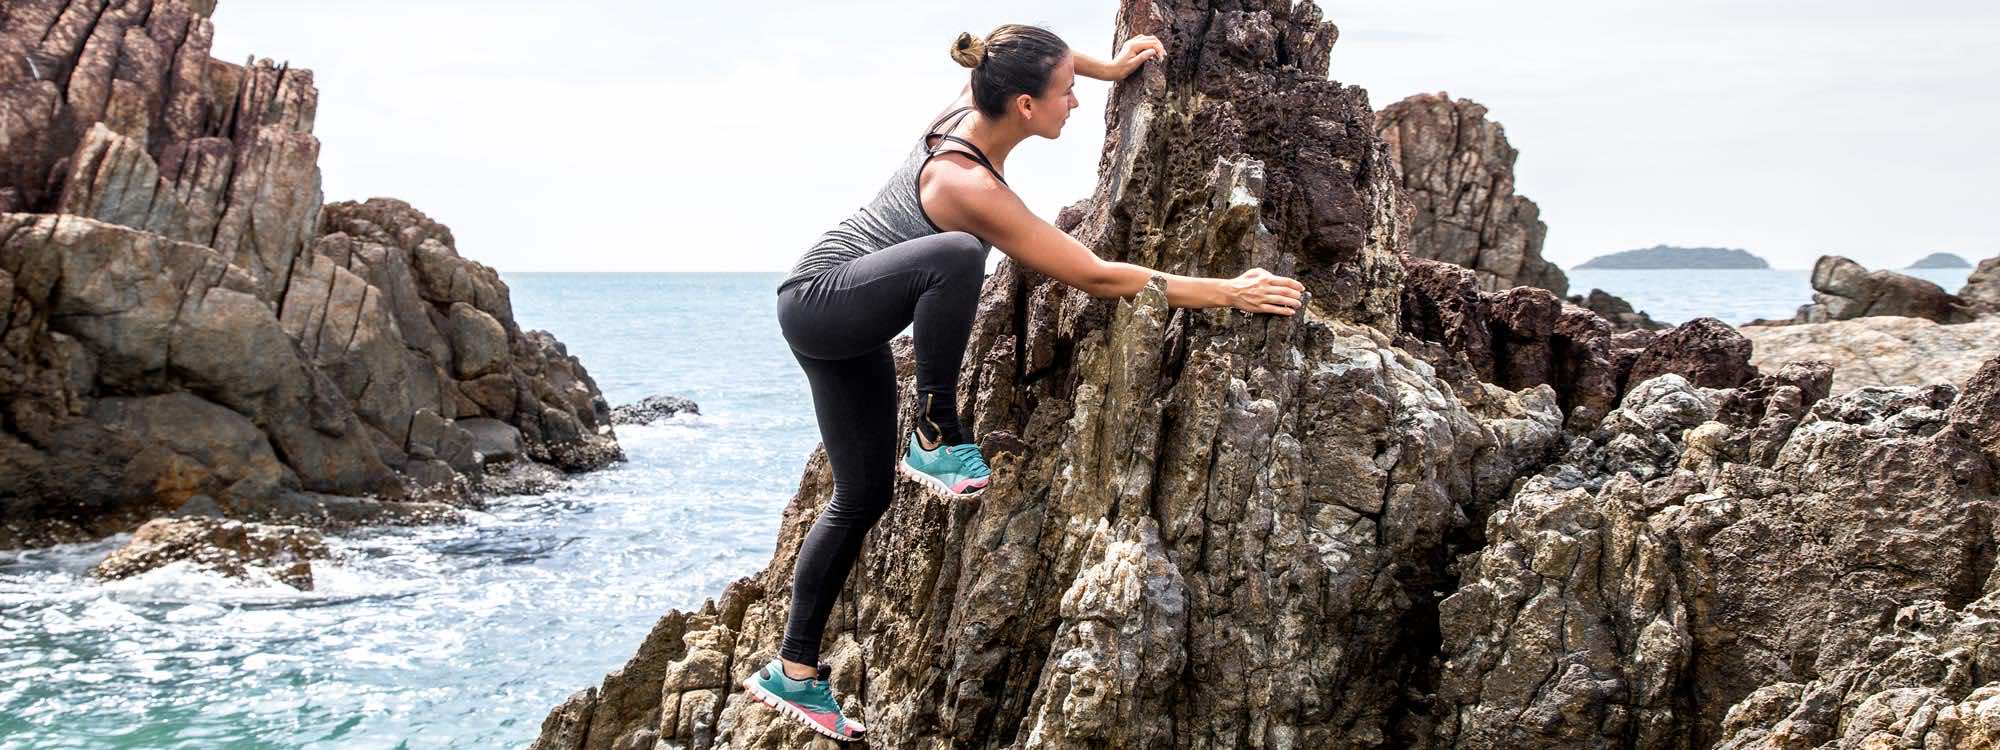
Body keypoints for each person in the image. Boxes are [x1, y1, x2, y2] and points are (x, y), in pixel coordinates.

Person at [738, 23, 1307, 741]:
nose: (1077, 102)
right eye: (1067, 93)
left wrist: (1109, 66)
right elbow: (1095, 275)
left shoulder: (979, 99)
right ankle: (935, 434)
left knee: (862, 497)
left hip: (837, 315)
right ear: (1025, 107)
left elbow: (1020, 50)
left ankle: (792, 670)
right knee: (955, 256)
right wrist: (1229, 290)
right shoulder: (963, 181)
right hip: (822, 301)